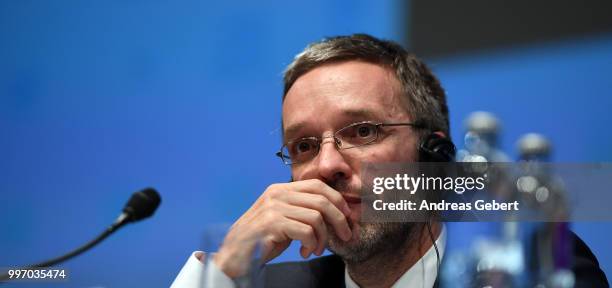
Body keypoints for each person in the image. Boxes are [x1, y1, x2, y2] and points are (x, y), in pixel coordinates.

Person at [171, 34, 608, 288]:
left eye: (362, 131)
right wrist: (225, 269)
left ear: (434, 157)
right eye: (303, 145)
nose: (326, 166)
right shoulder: (273, 286)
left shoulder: (520, 271)